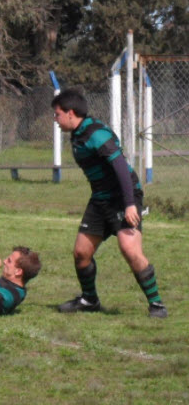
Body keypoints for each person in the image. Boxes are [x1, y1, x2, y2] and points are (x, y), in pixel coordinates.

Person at [51, 88, 166, 318]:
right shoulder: (77, 133)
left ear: (71, 113)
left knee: (129, 249)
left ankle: (157, 305)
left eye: (57, 114)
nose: (55, 119)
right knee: (81, 252)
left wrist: (130, 204)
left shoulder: (97, 134)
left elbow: (121, 168)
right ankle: (89, 300)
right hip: (100, 200)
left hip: (123, 198)